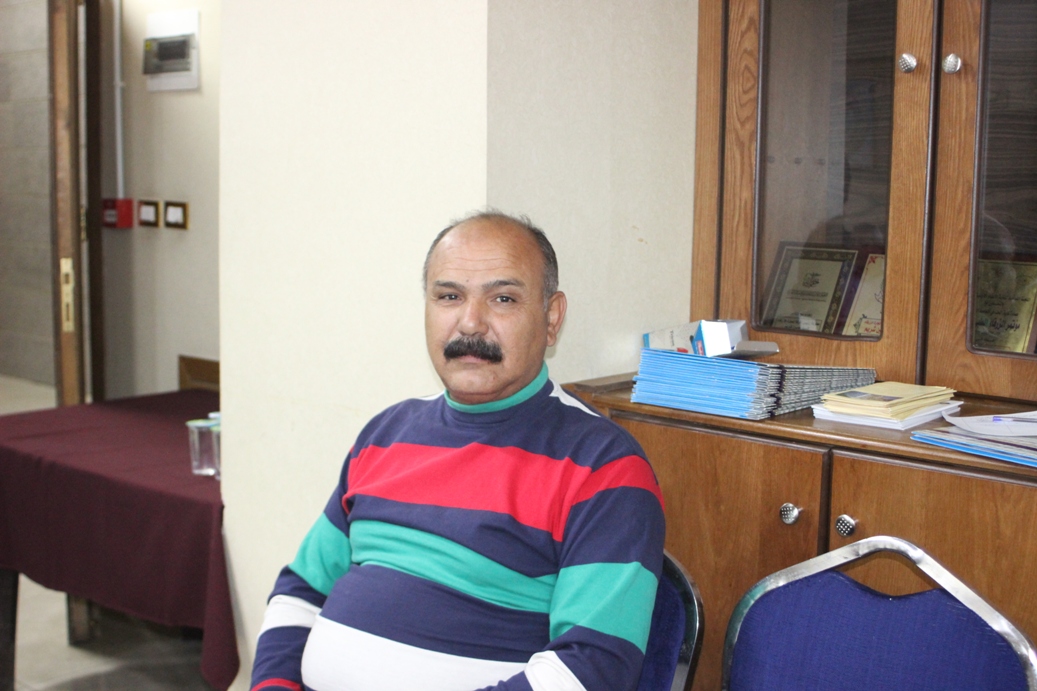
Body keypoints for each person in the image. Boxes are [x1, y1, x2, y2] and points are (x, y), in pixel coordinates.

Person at [250, 211, 665, 691]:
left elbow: (591, 669)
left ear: (551, 319)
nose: (470, 323)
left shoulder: (604, 468)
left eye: (503, 298)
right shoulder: (385, 435)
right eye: (449, 296)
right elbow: (300, 591)